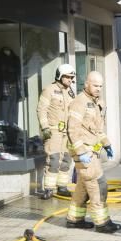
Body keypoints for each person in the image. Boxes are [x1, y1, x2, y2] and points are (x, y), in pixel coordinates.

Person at [65, 71, 120, 233]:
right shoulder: (79, 102)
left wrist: (107, 144)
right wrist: (80, 152)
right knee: (97, 184)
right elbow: (72, 130)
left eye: (101, 86)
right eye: (95, 85)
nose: (98, 89)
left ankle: (74, 219)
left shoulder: (96, 103)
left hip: (91, 151)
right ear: (86, 84)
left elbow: (97, 129)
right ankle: (102, 222)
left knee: (83, 185)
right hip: (84, 152)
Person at [35, 63, 76, 199]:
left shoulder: (70, 92)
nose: (70, 80)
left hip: (67, 133)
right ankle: (48, 189)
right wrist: (45, 127)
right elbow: (41, 110)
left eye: (72, 77)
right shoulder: (49, 90)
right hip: (53, 132)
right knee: (53, 159)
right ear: (60, 76)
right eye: (68, 77)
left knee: (66, 159)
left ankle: (62, 187)